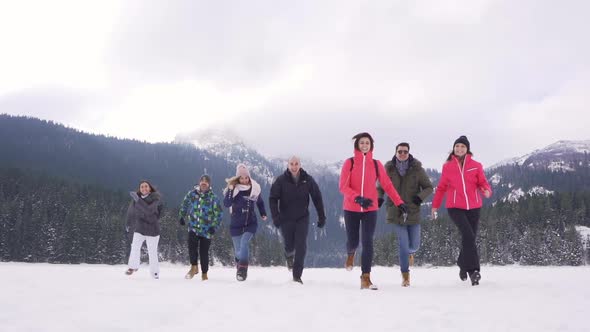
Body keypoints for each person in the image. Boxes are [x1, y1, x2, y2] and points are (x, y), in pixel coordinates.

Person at [339, 132, 407, 290]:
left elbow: (387, 185)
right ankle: (351, 253)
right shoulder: (349, 163)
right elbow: (343, 186)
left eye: (367, 143)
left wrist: (399, 202)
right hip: (351, 208)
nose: (364, 145)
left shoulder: (376, 164)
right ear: (357, 145)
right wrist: (357, 198)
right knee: (354, 241)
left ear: (371, 146)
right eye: (361, 143)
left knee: (368, 241)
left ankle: (366, 278)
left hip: (371, 209)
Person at [431, 135, 492, 286]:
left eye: (462, 147)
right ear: (453, 148)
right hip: (455, 207)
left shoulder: (476, 165)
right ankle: (474, 271)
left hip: (474, 207)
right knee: (468, 235)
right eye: (457, 146)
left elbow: (482, 182)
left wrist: (486, 190)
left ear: (467, 149)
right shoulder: (448, 166)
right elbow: (441, 188)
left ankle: (461, 262)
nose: (459, 149)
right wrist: (435, 206)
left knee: (469, 238)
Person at [378, 142, 433, 287]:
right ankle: (405, 276)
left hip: (413, 211)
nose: (402, 154)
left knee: (414, 245)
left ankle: (411, 253)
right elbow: (380, 186)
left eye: (405, 152)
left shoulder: (417, 169)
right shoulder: (388, 169)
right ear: (395, 152)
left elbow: (428, 187)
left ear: (409, 153)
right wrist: (379, 198)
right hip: (395, 211)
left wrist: (419, 197)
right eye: (400, 151)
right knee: (403, 244)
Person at [269, 156, 326, 284]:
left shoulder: (307, 179)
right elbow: (273, 198)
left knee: (301, 245)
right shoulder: (281, 180)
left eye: (296, 164)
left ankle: (297, 276)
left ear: (300, 165)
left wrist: (322, 216)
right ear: (288, 165)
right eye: (292, 164)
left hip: (302, 218)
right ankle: (289, 255)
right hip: (285, 218)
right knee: (289, 245)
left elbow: (317, 197)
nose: (294, 167)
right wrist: (275, 216)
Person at [223, 163, 268, 281]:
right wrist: (230, 190)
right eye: (241, 178)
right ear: (238, 178)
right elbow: (227, 204)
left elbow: (260, 202)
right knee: (238, 252)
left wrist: (263, 213)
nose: (244, 180)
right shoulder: (234, 190)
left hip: (250, 223)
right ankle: (239, 265)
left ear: (249, 177)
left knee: (244, 243)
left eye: (246, 177)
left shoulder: (254, 189)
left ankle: (243, 270)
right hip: (236, 225)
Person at [178, 174, 223, 281]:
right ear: (199, 182)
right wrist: (182, 216)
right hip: (193, 226)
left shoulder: (213, 197)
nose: (204, 183)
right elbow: (184, 204)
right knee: (192, 248)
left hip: (206, 230)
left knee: (204, 252)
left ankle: (204, 273)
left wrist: (214, 227)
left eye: (206, 181)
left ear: (209, 184)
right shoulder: (192, 194)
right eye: (202, 181)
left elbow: (219, 214)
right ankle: (193, 267)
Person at [125, 180, 163, 279]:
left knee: (152, 252)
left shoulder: (155, 199)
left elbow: (149, 211)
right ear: (139, 189)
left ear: (150, 188)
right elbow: (131, 211)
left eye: (146, 186)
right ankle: (133, 267)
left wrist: (138, 200)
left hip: (153, 230)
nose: (144, 188)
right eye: (142, 187)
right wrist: (128, 223)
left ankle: (155, 273)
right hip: (140, 228)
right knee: (135, 246)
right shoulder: (136, 199)